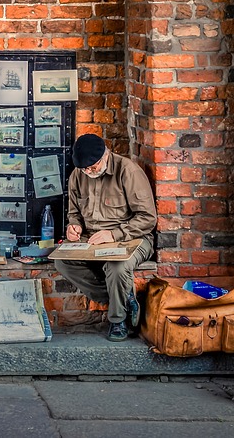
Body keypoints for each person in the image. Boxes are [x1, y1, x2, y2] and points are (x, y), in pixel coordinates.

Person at [54, 133, 157, 341]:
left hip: (133, 237)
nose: (88, 172)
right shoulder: (78, 175)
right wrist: (74, 226)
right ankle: (124, 299)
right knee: (62, 261)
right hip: (92, 239)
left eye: (92, 167)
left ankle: (118, 320)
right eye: (84, 169)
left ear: (105, 156)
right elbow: (74, 213)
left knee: (117, 266)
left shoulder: (127, 171)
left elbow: (148, 218)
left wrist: (114, 234)